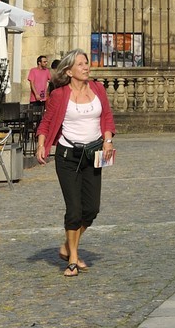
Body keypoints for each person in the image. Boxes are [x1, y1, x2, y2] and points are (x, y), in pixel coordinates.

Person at [35, 50, 116, 275]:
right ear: (69, 71)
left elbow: (107, 117)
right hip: (67, 156)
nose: (86, 67)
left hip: (93, 154)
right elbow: (47, 121)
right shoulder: (60, 95)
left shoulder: (98, 89)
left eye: (86, 63)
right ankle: (72, 258)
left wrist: (107, 140)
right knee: (74, 209)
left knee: (91, 209)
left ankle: (67, 245)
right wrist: (42, 144)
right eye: (80, 64)